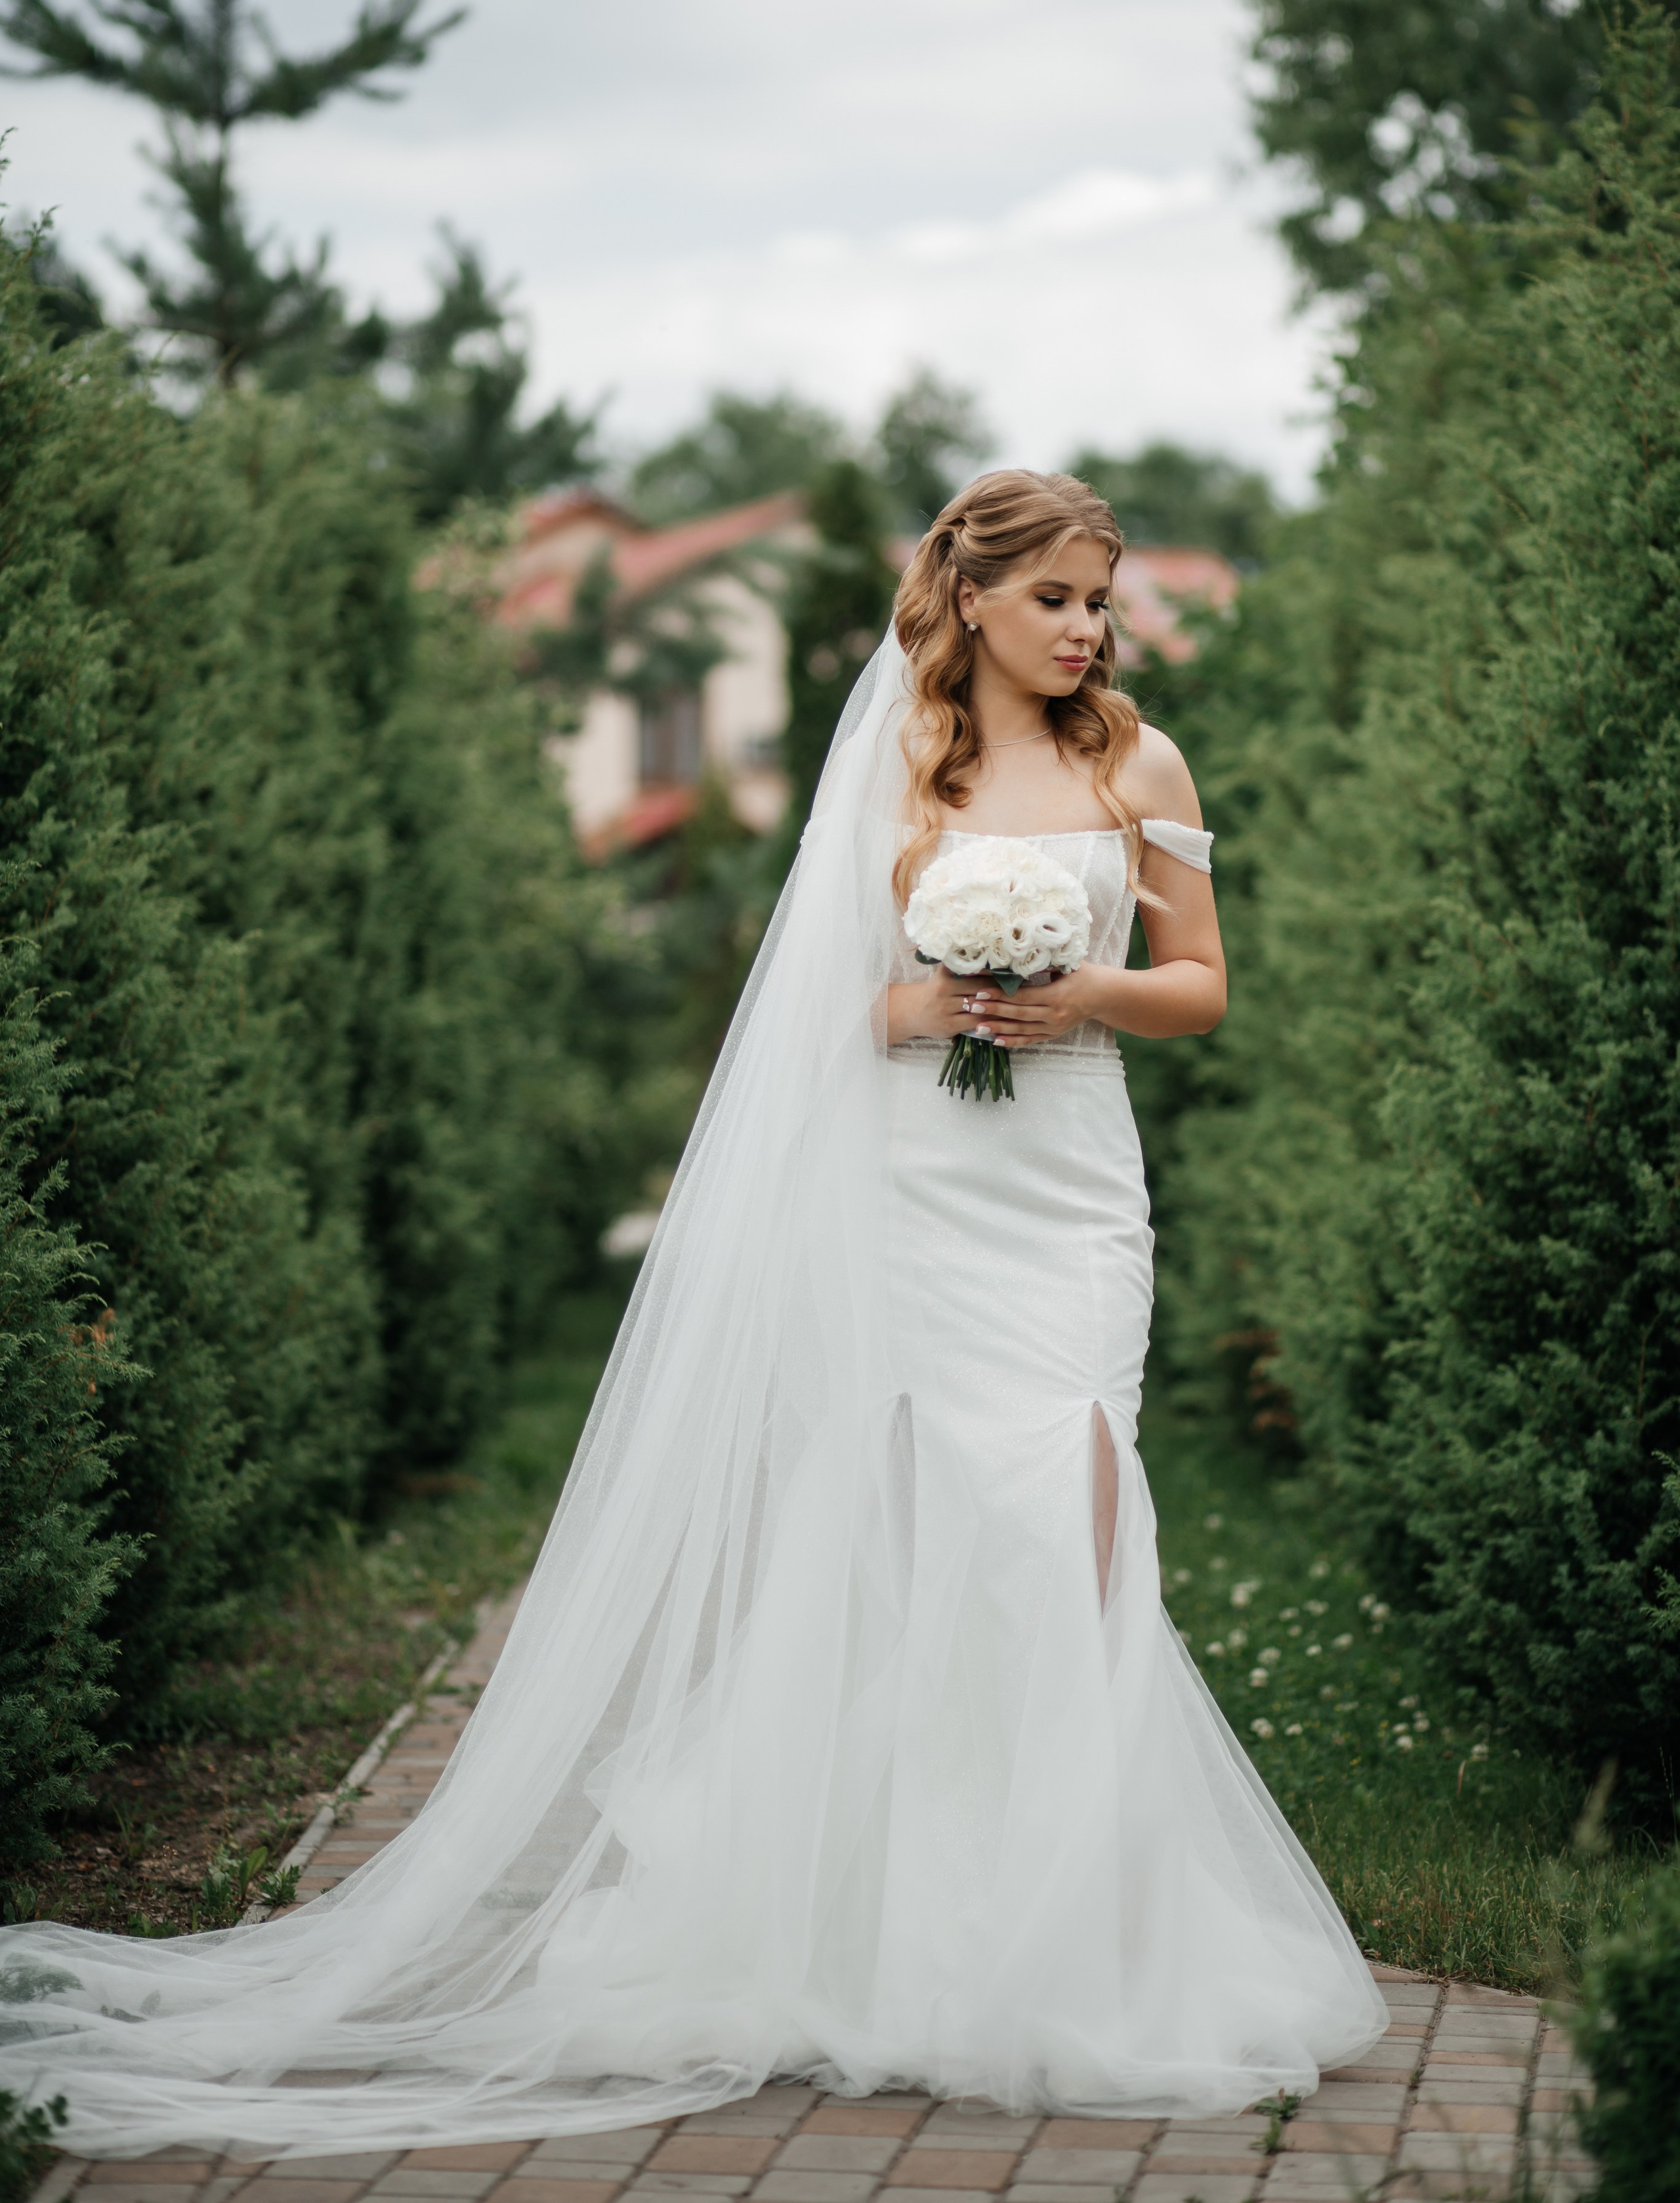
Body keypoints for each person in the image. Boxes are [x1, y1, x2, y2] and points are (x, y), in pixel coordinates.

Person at [0, 471, 1385, 2158]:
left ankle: (1085, 1937)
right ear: (969, 601)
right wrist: (932, 996)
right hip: (918, 1186)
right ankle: (887, 1921)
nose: (1088, 630)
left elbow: (1200, 985)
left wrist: (1075, 986)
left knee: (1079, 1516)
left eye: (1101, 601)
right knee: (911, 1521)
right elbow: (820, 1010)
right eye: (1058, 601)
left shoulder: (1137, 762)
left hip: (1071, 1193)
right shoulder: (888, 765)